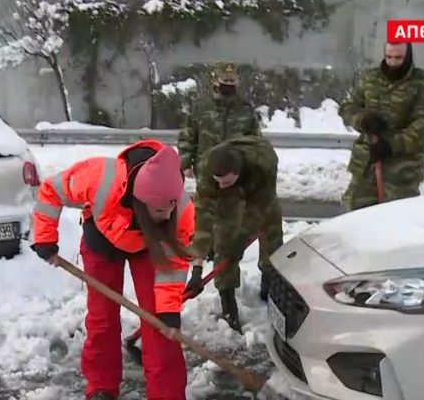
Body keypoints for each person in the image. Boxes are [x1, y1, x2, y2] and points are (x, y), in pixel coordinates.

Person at [31, 139, 196, 400]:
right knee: (102, 318)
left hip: (149, 247)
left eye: (171, 208)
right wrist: (45, 237)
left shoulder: (181, 210)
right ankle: (101, 387)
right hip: (102, 242)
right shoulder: (101, 177)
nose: (167, 215)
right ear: (141, 200)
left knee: (159, 325)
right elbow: (52, 189)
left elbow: (173, 265)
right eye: (160, 210)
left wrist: (169, 309)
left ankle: (167, 394)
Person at [187, 136, 282, 333]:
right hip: (231, 197)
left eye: (226, 181)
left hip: (260, 193)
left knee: (271, 237)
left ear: (237, 173)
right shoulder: (206, 167)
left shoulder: (264, 162)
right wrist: (197, 266)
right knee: (224, 242)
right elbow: (203, 216)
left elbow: (259, 208)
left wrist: (243, 236)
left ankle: (269, 284)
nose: (221, 185)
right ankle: (228, 305)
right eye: (218, 181)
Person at [338, 41, 424, 211]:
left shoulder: (421, 84)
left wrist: (391, 146)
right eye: (389, 57)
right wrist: (363, 120)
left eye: (398, 58)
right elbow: (348, 107)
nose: (392, 63)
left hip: (401, 171)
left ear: (408, 57)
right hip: (366, 164)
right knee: (351, 220)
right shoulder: (370, 78)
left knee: (397, 223)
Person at [177, 61, 262, 179]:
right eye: (225, 81)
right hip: (205, 171)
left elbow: (256, 141)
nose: (229, 84)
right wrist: (186, 164)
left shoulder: (245, 109)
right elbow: (187, 136)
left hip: (237, 173)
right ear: (215, 81)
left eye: (232, 81)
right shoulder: (201, 107)